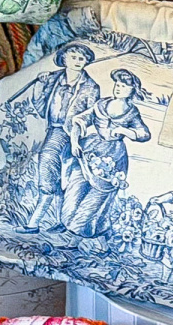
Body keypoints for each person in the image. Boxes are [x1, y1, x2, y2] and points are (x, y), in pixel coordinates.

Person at [4, 45, 101, 231]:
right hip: (52, 130)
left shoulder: (91, 87)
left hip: (73, 134)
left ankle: (37, 223)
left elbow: (92, 115)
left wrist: (77, 127)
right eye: (73, 57)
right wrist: (40, 85)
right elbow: (41, 107)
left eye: (81, 58)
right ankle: (48, 222)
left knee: (59, 173)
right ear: (64, 59)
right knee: (52, 174)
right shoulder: (54, 80)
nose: (77, 61)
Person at [63, 68, 151, 236]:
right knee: (75, 189)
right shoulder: (101, 105)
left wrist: (125, 131)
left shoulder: (132, 113)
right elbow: (79, 120)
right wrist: (74, 142)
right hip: (90, 150)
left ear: (132, 90)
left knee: (97, 197)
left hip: (114, 156)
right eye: (117, 84)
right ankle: (68, 224)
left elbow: (144, 134)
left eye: (124, 86)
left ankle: (77, 231)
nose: (118, 88)